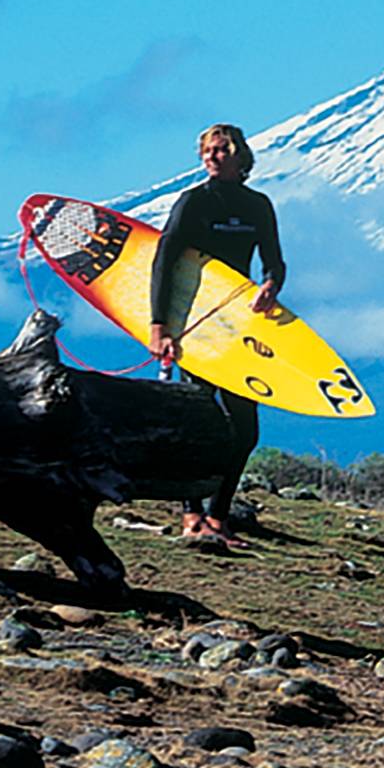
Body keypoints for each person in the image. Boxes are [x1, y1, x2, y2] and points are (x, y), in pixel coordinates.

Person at [148, 123, 284, 548]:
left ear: (241, 157)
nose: (212, 157)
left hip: (236, 326)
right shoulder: (193, 202)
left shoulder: (258, 205)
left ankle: (219, 516)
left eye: (222, 150)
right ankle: (191, 513)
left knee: (245, 428)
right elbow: (163, 263)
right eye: (207, 150)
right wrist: (159, 326)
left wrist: (271, 286)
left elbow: (275, 262)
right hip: (193, 321)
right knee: (199, 418)